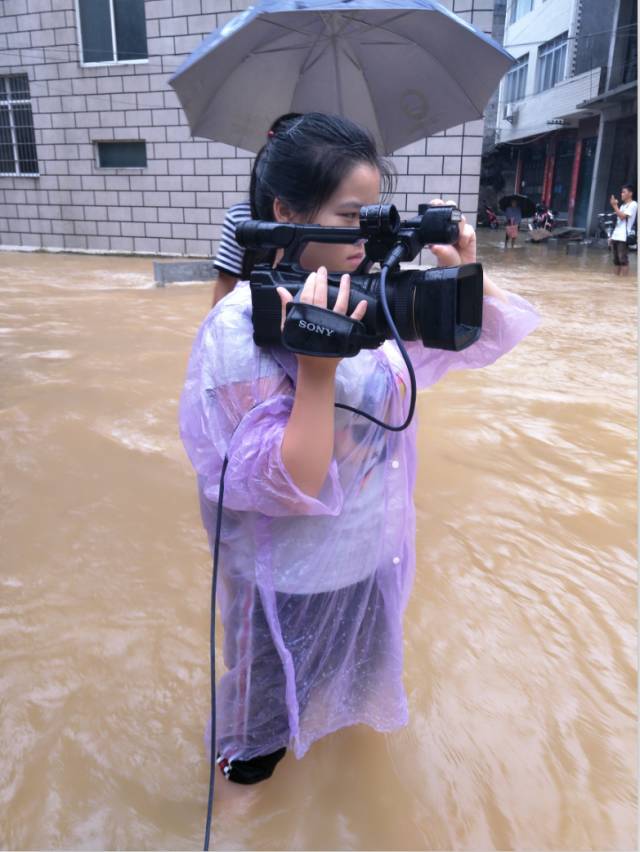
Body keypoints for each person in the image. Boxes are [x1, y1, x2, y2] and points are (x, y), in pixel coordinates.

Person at [180, 113, 539, 785]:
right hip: (284, 587)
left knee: (351, 727)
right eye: (350, 218)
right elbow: (284, 482)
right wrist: (316, 368)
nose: (365, 236)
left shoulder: (373, 297)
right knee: (253, 759)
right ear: (286, 211)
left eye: (371, 217)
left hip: (368, 566)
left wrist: (462, 269)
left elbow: (487, 338)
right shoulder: (241, 330)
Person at [211, 113, 303, 307]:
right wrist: (215, 330)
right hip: (255, 315)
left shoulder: (328, 222)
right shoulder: (241, 217)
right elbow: (225, 282)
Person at [609, 185, 637, 277]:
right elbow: (618, 222)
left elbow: (622, 216)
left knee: (623, 259)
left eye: (624, 192)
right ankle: (616, 279)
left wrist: (614, 205)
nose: (622, 194)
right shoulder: (622, 206)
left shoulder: (633, 204)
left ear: (630, 193)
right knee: (616, 260)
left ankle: (624, 281)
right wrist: (611, 236)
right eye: (621, 192)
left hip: (623, 237)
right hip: (616, 236)